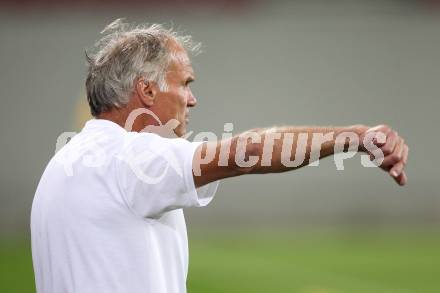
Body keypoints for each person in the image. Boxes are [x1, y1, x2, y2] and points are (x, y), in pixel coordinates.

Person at [31, 19, 409, 293]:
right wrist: (354, 137)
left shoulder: (64, 163)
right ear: (146, 91)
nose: (192, 98)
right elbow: (252, 151)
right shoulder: (135, 156)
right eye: (185, 84)